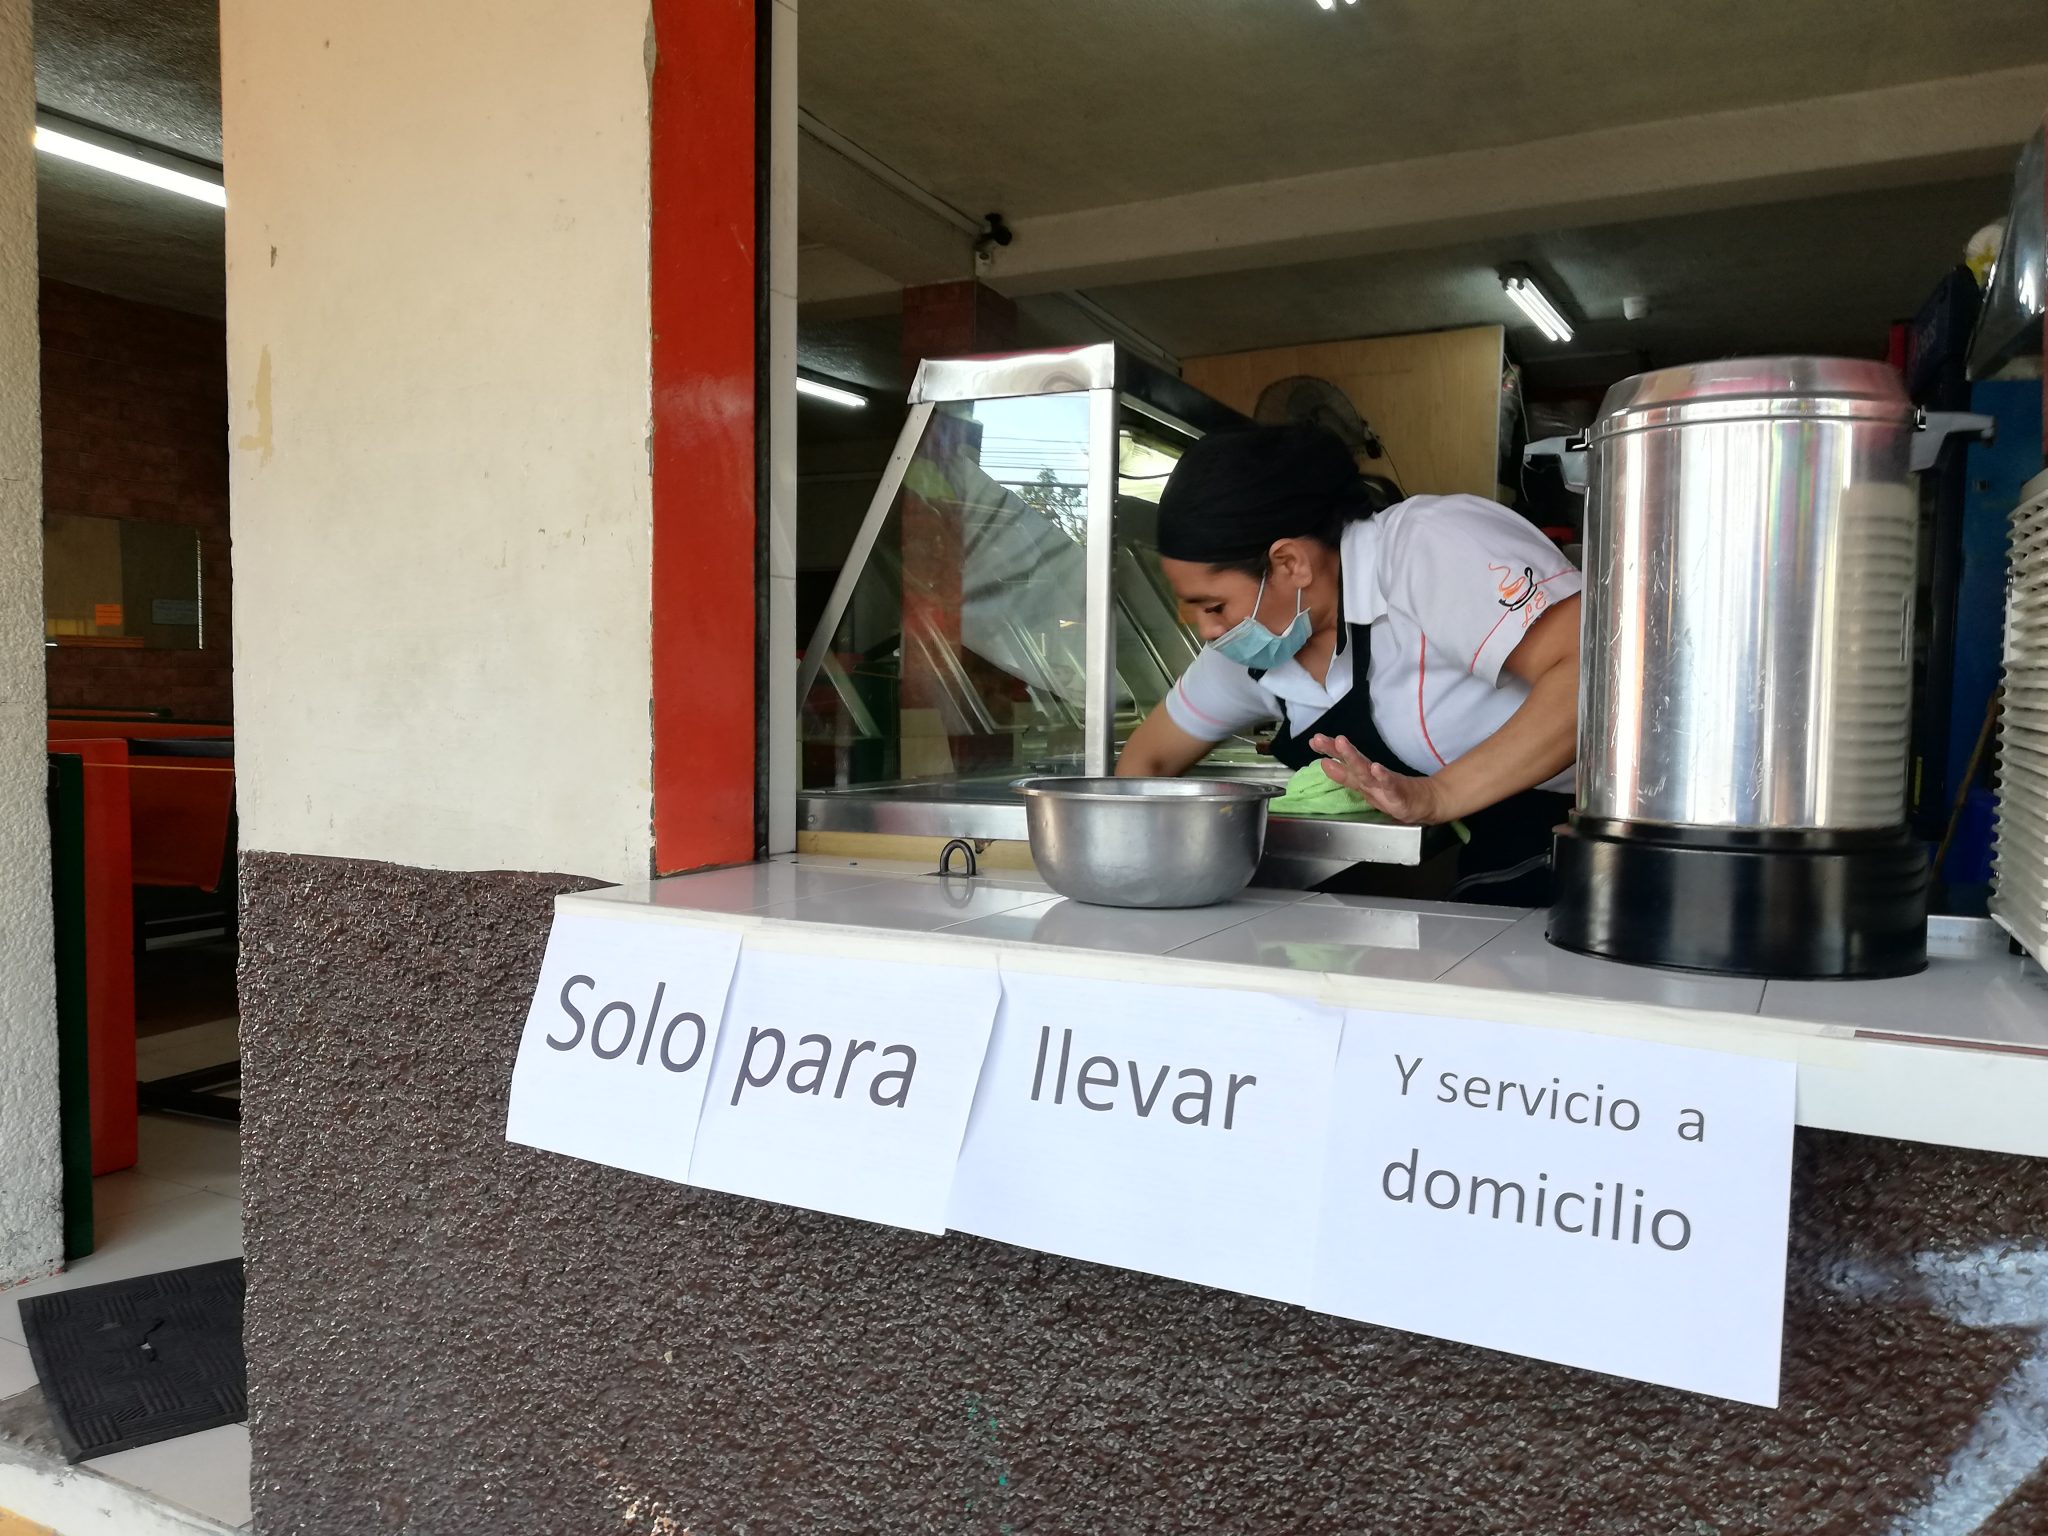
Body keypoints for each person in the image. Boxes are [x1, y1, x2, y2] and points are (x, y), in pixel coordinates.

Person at [1116, 423, 1581, 904]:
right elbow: (1148, 760)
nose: (1208, 631)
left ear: (1290, 563)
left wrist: (1438, 795)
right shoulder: (1253, 647)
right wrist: (1129, 875)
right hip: (1480, 854)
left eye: (1214, 607)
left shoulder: (1426, 545)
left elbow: (1589, 679)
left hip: (1575, 839)